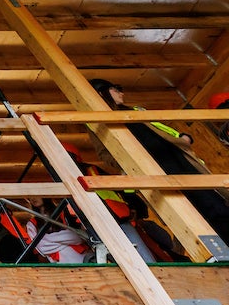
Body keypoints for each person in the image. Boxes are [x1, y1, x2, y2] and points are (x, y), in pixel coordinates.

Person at [91, 78, 229, 242]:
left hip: (176, 159)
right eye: (116, 89)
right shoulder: (99, 123)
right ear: (101, 93)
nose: (122, 93)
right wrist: (128, 163)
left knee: (214, 202)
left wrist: (181, 138)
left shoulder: (135, 110)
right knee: (191, 212)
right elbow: (104, 154)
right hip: (156, 170)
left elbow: (161, 129)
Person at [61, 140, 155, 262]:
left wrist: (135, 207)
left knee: (146, 261)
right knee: (139, 261)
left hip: (116, 221)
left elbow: (120, 189)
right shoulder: (69, 180)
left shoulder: (90, 171)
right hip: (101, 226)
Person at [24, 195, 93, 264]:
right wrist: (66, 238)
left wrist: (46, 239)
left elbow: (79, 236)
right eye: (29, 197)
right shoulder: (31, 224)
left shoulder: (64, 212)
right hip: (60, 264)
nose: (32, 198)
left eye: (35, 194)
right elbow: (41, 248)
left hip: (82, 258)